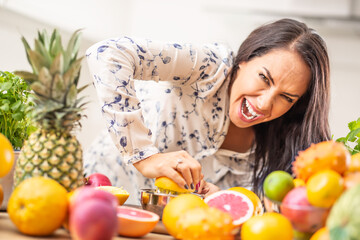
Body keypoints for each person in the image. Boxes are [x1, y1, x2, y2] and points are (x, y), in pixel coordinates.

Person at [84, 18, 330, 204]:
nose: (265, 104)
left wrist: (219, 200)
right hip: (95, 197)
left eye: (286, 97)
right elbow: (108, 54)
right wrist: (143, 155)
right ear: (244, 61)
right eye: (264, 78)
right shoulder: (208, 66)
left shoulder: (283, 145)